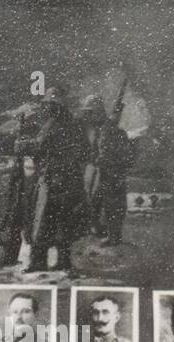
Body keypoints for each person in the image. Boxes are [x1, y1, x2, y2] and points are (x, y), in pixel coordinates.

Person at [13, 86, 86, 274]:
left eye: (51, 105)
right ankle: (63, 262)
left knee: (42, 221)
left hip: (52, 180)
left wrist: (20, 145)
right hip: (70, 181)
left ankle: (39, 262)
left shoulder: (53, 125)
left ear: (57, 106)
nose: (49, 108)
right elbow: (85, 151)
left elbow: (38, 146)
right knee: (63, 222)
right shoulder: (75, 125)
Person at [78, 93, 133, 246]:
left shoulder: (110, 130)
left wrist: (102, 161)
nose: (88, 117)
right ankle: (100, 230)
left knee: (113, 205)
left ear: (97, 112)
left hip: (112, 173)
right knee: (96, 202)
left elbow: (112, 153)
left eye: (91, 113)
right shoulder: (101, 129)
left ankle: (114, 237)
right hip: (103, 172)